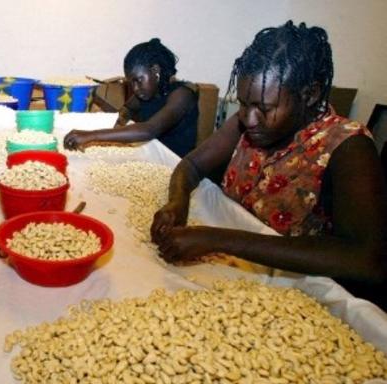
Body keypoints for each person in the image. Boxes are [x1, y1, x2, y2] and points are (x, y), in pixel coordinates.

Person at [150, 21, 387, 309]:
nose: (249, 119)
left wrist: (216, 239)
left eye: (265, 108)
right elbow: (191, 166)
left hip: (295, 298)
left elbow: (367, 259)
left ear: (310, 94)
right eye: (243, 104)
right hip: (228, 282)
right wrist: (177, 203)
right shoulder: (245, 124)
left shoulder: (347, 145)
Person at [63, 38, 199, 158]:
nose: (135, 88)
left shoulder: (182, 96)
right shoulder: (145, 94)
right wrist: (117, 124)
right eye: (131, 83)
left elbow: (149, 130)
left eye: (138, 80)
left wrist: (91, 136)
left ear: (156, 71)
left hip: (178, 165)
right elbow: (126, 110)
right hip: (154, 159)